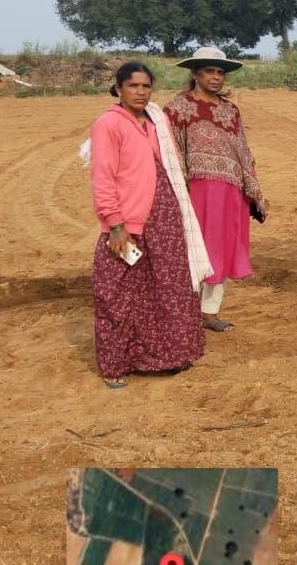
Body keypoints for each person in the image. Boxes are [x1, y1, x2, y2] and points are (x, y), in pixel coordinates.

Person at [88, 62, 209, 388]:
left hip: (165, 218)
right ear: (119, 88)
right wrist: (115, 224)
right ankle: (116, 366)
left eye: (145, 86)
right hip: (129, 222)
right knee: (116, 293)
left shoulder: (156, 120)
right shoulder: (108, 125)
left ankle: (166, 357)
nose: (140, 92)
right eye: (133, 86)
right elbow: (103, 179)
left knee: (167, 291)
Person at [165, 46, 268, 332]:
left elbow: (243, 150)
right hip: (195, 189)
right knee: (193, 247)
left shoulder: (231, 110)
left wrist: (252, 188)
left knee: (221, 246)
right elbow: (169, 149)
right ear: (195, 73)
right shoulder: (177, 108)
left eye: (220, 72)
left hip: (230, 190)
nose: (216, 77)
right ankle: (184, 310)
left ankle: (210, 312)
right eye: (209, 70)